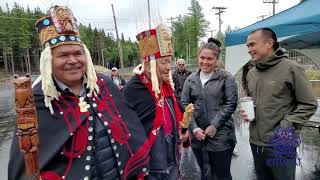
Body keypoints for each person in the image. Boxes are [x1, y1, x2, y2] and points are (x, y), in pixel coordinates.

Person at [8, 6, 150, 180]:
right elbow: (25, 168)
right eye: (63, 55)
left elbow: (132, 132)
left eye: (77, 53)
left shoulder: (104, 86)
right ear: (48, 60)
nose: (73, 60)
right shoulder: (36, 102)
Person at [240, 27, 317, 180]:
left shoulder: (291, 68)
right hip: (256, 141)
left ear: (269, 43)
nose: (249, 49)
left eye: (252, 44)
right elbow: (257, 102)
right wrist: (248, 111)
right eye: (247, 46)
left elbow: (309, 104)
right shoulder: (251, 73)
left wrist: (286, 125)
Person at [123, 25, 188, 180]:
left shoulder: (165, 86)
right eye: (164, 62)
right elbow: (125, 131)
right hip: (151, 165)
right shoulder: (132, 90)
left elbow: (178, 113)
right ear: (148, 64)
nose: (168, 67)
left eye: (169, 62)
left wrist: (183, 130)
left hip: (171, 153)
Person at [181, 38, 238, 180]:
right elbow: (185, 103)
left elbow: (231, 103)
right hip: (198, 136)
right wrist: (194, 128)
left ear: (217, 59)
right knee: (204, 173)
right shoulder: (191, 79)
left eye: (209, 59)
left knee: (221, 174)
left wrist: (215, 125)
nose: (205, 62)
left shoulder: (225, 78)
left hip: (221, 136)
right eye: (202, 58)